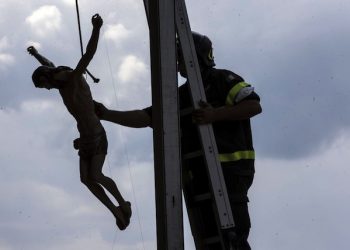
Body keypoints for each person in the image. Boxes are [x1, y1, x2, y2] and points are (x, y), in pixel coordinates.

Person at [94, 32, 262, 248]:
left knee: (232, 237)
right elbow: (146, 117)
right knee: (212, 240)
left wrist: (215, 115)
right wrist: (107, 114)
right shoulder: (180, 95)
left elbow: (253, 106)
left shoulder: (222, 80)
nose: (177, 62)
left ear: (195, 55)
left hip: (231, 173)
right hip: (200, 175)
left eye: (180, 56)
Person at [27, 14, 131, 231]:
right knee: (86, 179)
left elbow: (89, 54)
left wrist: (96, 28)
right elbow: (48, 64)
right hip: (84, 137)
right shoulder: (59, 82)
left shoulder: (73, 78)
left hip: (96, 133)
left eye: (44, 86)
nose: (46, 90)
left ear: (48, 78)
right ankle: (117, 212)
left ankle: (123, 204)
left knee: (96, 175)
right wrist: (36, 54)